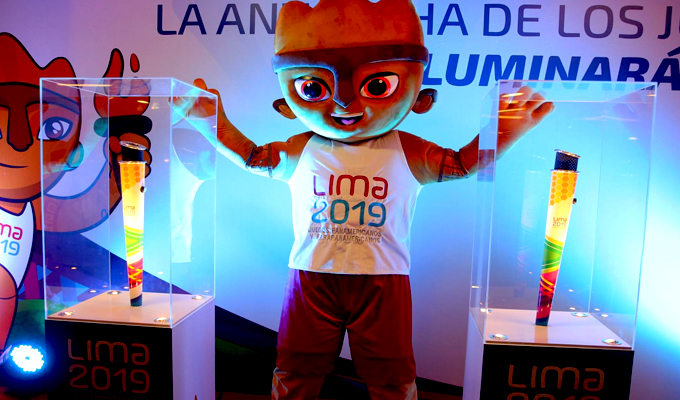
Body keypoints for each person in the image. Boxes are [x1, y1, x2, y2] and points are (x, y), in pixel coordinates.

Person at [175, 0, 554, 398]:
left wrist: (501, 132)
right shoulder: (303, 147)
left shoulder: (406, 149)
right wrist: (211, 121)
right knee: (296, 367)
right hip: (312, 274)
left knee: (391, 375)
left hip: (382, 280)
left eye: (376, 86)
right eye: (313, 88)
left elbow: (460, 164)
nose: (344, 103)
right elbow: (254, 157)